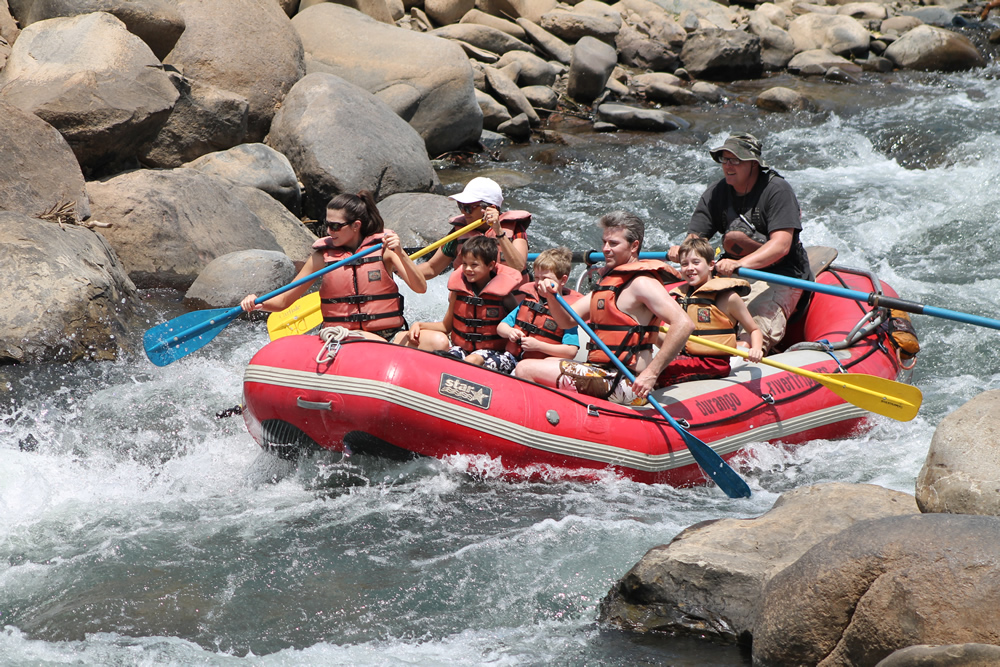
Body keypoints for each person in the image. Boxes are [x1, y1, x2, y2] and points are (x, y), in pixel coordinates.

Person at [516, 211, 694, 405]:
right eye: (604, 242)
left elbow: (684, 324)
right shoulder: (610, 284)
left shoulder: (642, 283)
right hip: (604, 373)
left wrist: (652, 373)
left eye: (614, 243)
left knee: (526, 368)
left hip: (628, 382)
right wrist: (551, 297)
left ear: (634, 246)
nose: (605, 249)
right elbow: (565, 321)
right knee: (547, 362)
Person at [669, 132, 813, 351]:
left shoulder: (777, 190)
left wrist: (740, 264)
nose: (728, 166)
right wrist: (683, 250)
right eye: (724, 160)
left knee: (752, 329)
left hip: (781, 274)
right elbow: (695, 238)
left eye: (735, 160)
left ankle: (742, 354)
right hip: (733, 272)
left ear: (753, 164)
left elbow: (781, 245)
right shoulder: (717, 192)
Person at [240, 190, 426, 341]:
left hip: (389, 335)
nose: (329, 231)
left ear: (356, 226)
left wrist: (400, 252)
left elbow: (420, 288)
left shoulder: (385, 251)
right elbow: (283, 301)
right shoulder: (321, 258)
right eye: (327, 225)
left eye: (336, 226)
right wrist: (257, 303)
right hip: (343, 337)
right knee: (371, 341)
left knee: (436, 341)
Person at [402, 236, 522, 373]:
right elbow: (445, 326)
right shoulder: (458, 293)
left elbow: (519, 325)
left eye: (474, 265)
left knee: (473, 360)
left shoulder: (504, 296)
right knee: (442, 359)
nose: (468, 269)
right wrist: (419, 325)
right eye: (464, 264)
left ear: (490, 265)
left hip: (497, 354)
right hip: (464, 351)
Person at [660, 236, 763, 384]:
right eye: (684, 264)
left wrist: (757, 349)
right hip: (687, 357)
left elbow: (754, 330)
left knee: (659, 369)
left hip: (713, 363)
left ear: (710, 265)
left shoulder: (728, 298)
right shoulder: (681, 297)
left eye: (696, 262)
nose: (690, 268)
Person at [418, 176, 531, 280]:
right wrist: (402, 271)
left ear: (490, 208)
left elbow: (518, 267)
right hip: (471, 300)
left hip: (509, 300)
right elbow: (431, 268)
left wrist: (499, 231)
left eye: (468, 208)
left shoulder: (515, 228)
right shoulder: (459, 232)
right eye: (460, 206)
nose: (463, 211)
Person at [497, 247, 582, 363]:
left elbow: (571, 351)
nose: (540, 283)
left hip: (538, 364)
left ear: (562, 280)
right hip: (511, 358)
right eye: (537, 278)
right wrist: (509, 332)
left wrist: (538, 346)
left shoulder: (567, 312)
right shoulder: (529, 300)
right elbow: (501, 327)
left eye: (545, 278)